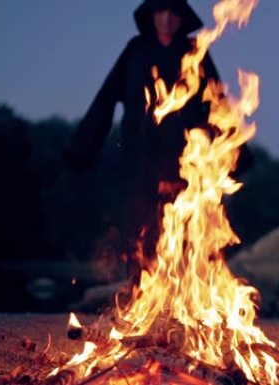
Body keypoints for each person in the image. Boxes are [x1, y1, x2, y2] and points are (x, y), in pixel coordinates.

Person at [64, 0, 251, 274]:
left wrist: (238, 153)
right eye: (160, 11)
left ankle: (185, 297)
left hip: (184, 156)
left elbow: (218, 101)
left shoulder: (193, 51)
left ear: (181, 18)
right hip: (139, 155)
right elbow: (106, 99)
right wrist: (83, 149)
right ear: (150, 16)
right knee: (139, 226)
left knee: (185, 226)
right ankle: (140, 296)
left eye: (172, 12)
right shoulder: (136, 51)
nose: (166, 18)